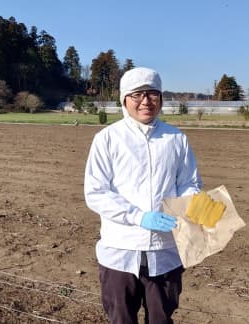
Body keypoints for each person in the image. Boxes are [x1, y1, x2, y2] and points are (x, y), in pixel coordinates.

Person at [84, 67, 203, 324]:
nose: (146, 101)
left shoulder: (176, 138)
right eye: (137, 95)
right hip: (120, 250)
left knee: (161, 319)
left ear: (161, 98)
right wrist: (138, 217)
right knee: (121, 318)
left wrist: (186, 207)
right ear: (124, 99)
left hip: (165, 250)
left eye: (152, 94)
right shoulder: (107, 139)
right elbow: (96, 192)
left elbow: (190, 183)